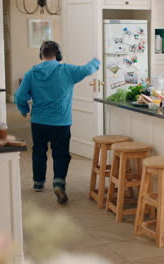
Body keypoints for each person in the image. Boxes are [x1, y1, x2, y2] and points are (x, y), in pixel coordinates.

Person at [15, 40, 100, 204]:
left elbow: (20, 96)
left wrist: (24, 109)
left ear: (42, 55)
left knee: (39, 152)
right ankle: (58, 182)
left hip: (39, 122)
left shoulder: (31, 73)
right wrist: (97, 59)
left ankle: (38, 183)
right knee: (60, 154)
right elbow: (88, 69)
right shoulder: (67, 70)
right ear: (58, 55)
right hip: (61, 122)